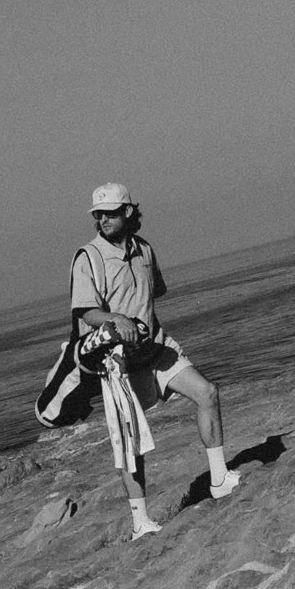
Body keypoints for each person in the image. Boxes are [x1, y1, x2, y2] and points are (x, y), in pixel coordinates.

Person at [70, 184, 241, 540]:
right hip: (118, 364)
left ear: (128, 212)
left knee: (207, 392)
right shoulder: (88, 257)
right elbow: (87, 311)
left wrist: (140, 317)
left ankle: (219, 478)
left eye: (111, 213)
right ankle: (140, 523)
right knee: (131, 444)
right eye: (98, 214)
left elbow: (155, 290)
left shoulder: (145, 249)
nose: (103, 219)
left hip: (157, 347)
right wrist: (117, 317)